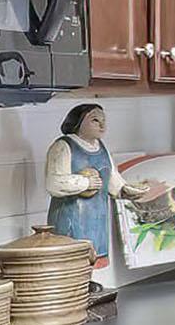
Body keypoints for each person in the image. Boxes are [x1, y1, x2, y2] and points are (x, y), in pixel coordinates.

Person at [44, 104, 153, 266]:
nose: (102, 125)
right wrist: (85, 182)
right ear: (77, 122)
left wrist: (125, 191)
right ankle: (75, 284)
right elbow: (53, 183)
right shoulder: (63, 146)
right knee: (71, 257)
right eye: (95, 120)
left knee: (93, 255)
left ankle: (87, 282)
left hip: (97, 216)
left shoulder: (101, 148)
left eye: (104, 121)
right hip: (72, 216)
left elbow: (112, 178)